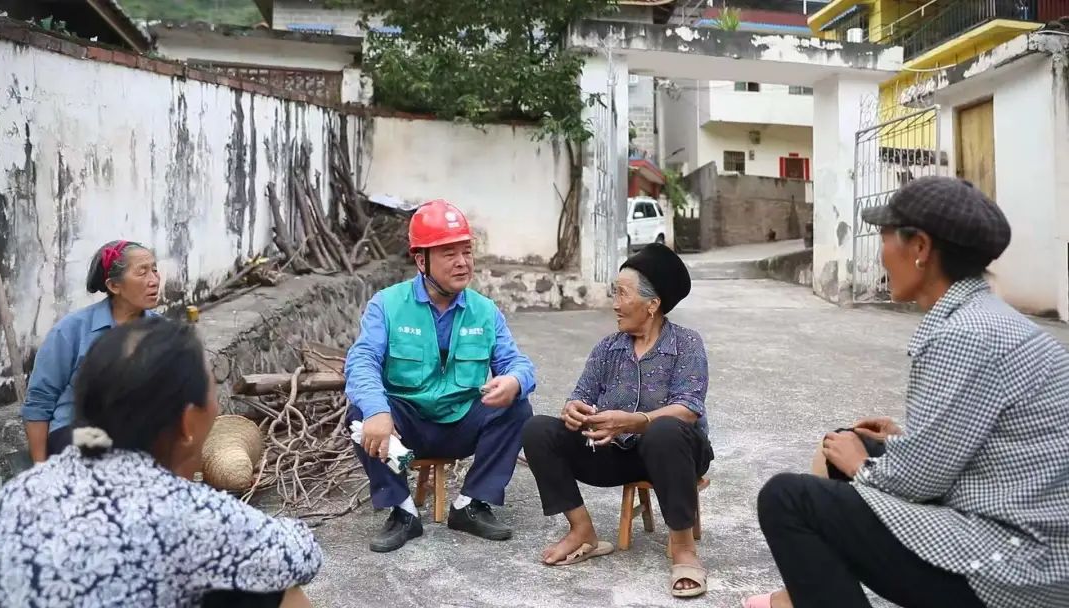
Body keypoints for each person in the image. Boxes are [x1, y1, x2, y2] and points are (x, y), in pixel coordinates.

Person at [746, 176, 1069, 608]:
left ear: (919, 249)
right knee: (848, 444)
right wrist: (898, 440)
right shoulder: (990, 317)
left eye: (884, 238)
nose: (880, 254)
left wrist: (862, 465)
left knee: (788, 498)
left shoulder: (965, 334)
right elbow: (985, 443)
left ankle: (806, 597)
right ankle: (809, 594)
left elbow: (917, 481)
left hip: (1013, 566)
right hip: (1032, 540)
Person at [0, 317, 323, 607]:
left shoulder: (16, 494)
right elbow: (302, 555)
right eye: (211, 393)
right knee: (268, 592)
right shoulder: (190, 515)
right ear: (188, 422)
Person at [522, 243, 714, 598]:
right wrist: (574, 410)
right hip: (618, 455)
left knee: (665, 429)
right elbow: (581, 395)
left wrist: (635, 420)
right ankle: (582, 532)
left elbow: (688, 408)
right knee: (537, 430)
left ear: (652, 305)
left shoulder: (687, 344)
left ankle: (684, 549)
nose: (614, 304)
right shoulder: (608, 348)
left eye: (622, 294)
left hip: (677, 455)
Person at [345, 199, 536, 553]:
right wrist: (377, 410)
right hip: (407, 426)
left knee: (519, 407)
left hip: (462, 423)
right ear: (421, 261)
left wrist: (514, 381)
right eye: (449, 253)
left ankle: (471, 504)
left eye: (466, 252)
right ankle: (403, 512)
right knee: (359, 413)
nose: (462, 262)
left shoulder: (484, 310)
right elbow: (361, 360)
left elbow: (517, 363)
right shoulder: (387, 305)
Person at [21, 240, 160, 461]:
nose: (154, 280)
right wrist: (41, 470)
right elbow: (40, 400)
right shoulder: (71, 330)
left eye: (154, 269)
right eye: (142, 272)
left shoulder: (162, 332)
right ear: (114, 286)